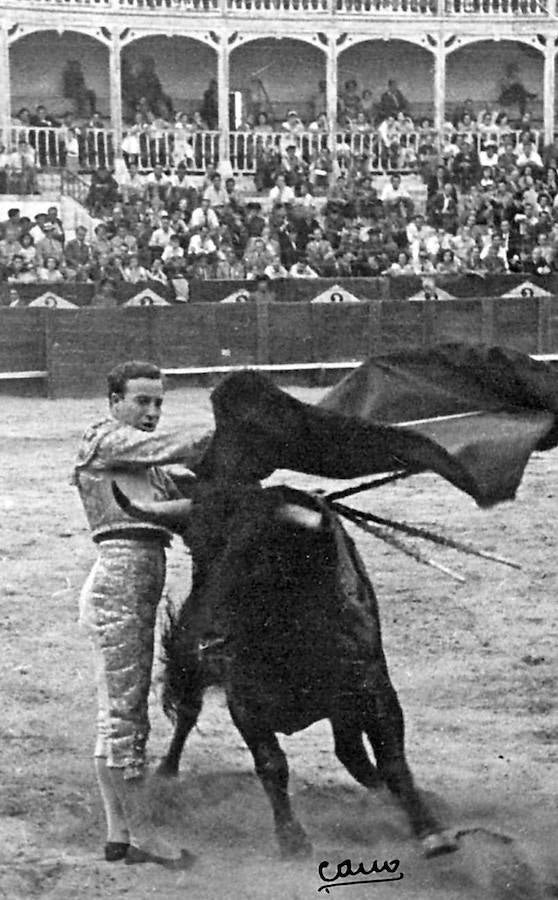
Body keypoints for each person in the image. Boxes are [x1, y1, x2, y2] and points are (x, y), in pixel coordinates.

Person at [74, 361, 200, 868]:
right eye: (141, 401)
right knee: (126, 714)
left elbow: (195, 492)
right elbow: (164, 447)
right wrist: (222, 435)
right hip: (119, 585)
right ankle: (143, 835)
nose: (151, 412)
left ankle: (119, 835)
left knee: (117, 715)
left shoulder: (151, 472)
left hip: (136, 583)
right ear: (114, 402)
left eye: (159, 403)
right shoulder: (103, 439)